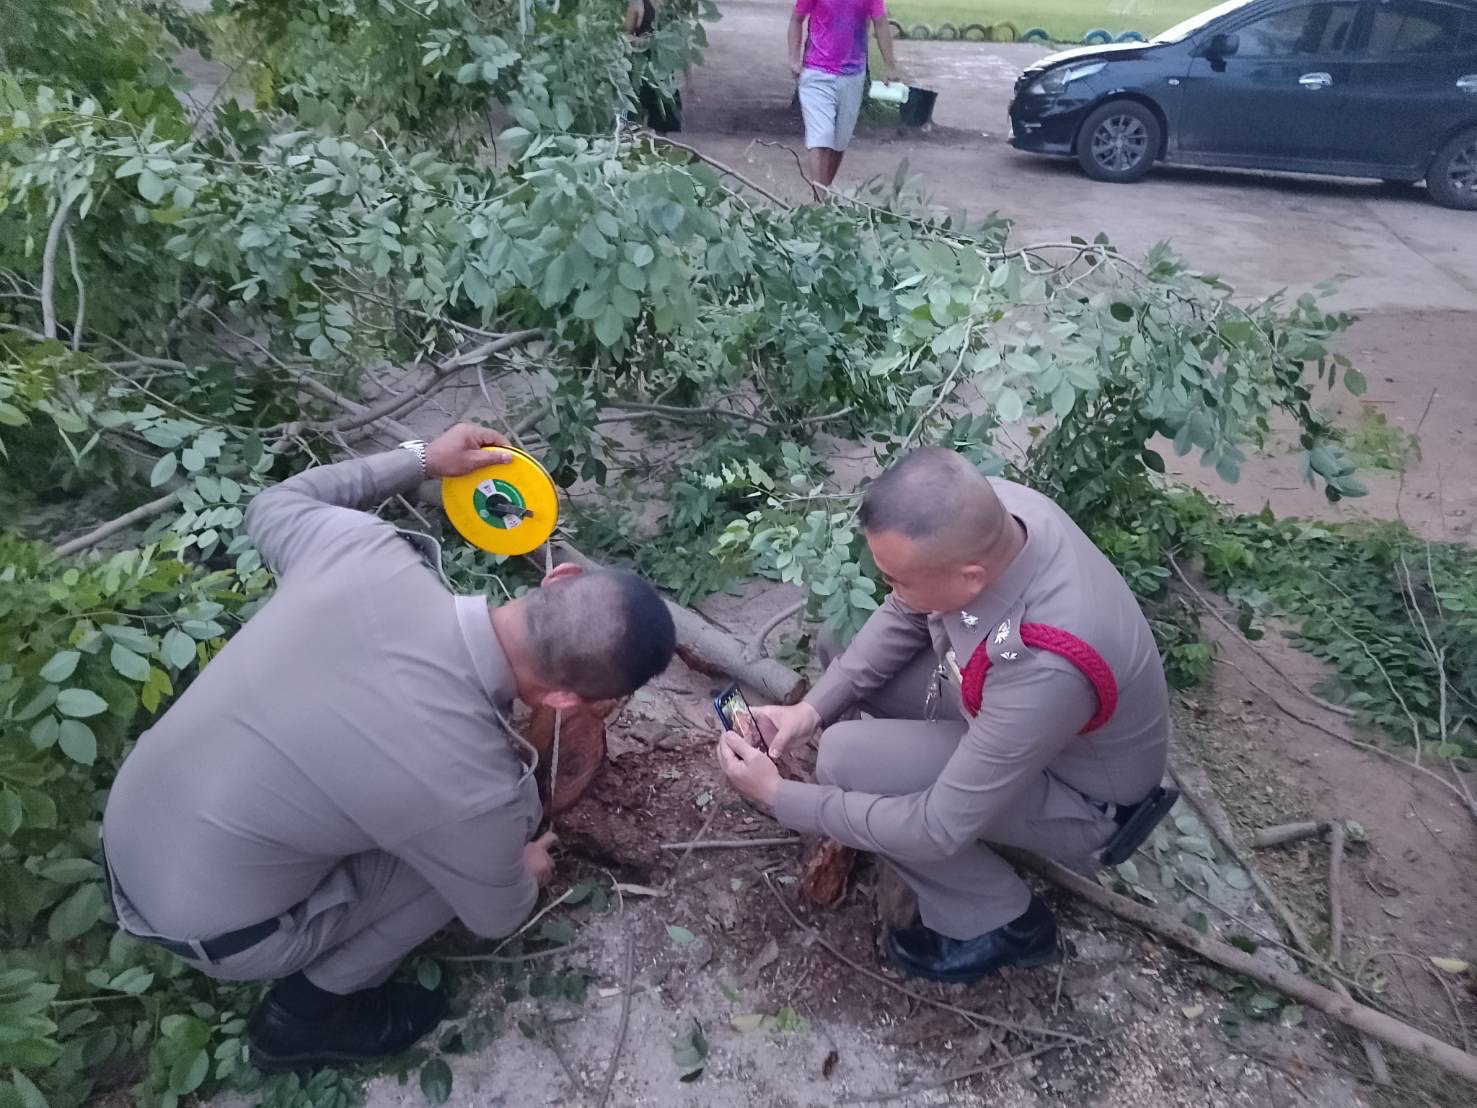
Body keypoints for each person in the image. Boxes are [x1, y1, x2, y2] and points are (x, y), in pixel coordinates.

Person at [101, 424, 676, 1070]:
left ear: (556, 577)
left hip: (126, 824)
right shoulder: (479, 789)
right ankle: (304, 1018)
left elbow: (270, 506)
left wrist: (422, 459)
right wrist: (526, 871)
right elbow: (495, 911)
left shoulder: (363, 551)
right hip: (213, 932)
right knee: (458, 871)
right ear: (570, 701)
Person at [718, 448, 1171, 982]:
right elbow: (907, 610)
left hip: (1081, 796)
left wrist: (780, 797)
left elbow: (937, 827)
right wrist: (811, 711)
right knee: (840, 642)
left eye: (897, 578)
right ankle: (900, 774)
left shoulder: (1046, 663)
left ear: (971, 578)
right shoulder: (993, 513)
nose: (891, 590)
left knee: (846, 762)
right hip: (1012, 717)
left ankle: (1004, 921)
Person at [789, 0, 899, 187]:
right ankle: (820, 200)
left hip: (852, 74)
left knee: (839, 142)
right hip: (817, 71)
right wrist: (794, 59)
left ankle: (822, 197)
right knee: (821, 135)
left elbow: (880, 23)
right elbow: (796, 19)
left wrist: (890, 66)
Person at [627, 0, 682, 134]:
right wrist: (641, 41)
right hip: (641, 71)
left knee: (663, 122)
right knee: (634, 122)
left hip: (665, 73)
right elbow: (624, 35)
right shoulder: (638, 4)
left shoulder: (672, 6)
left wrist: (690, 81)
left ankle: (662, 152)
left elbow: (681, 43)